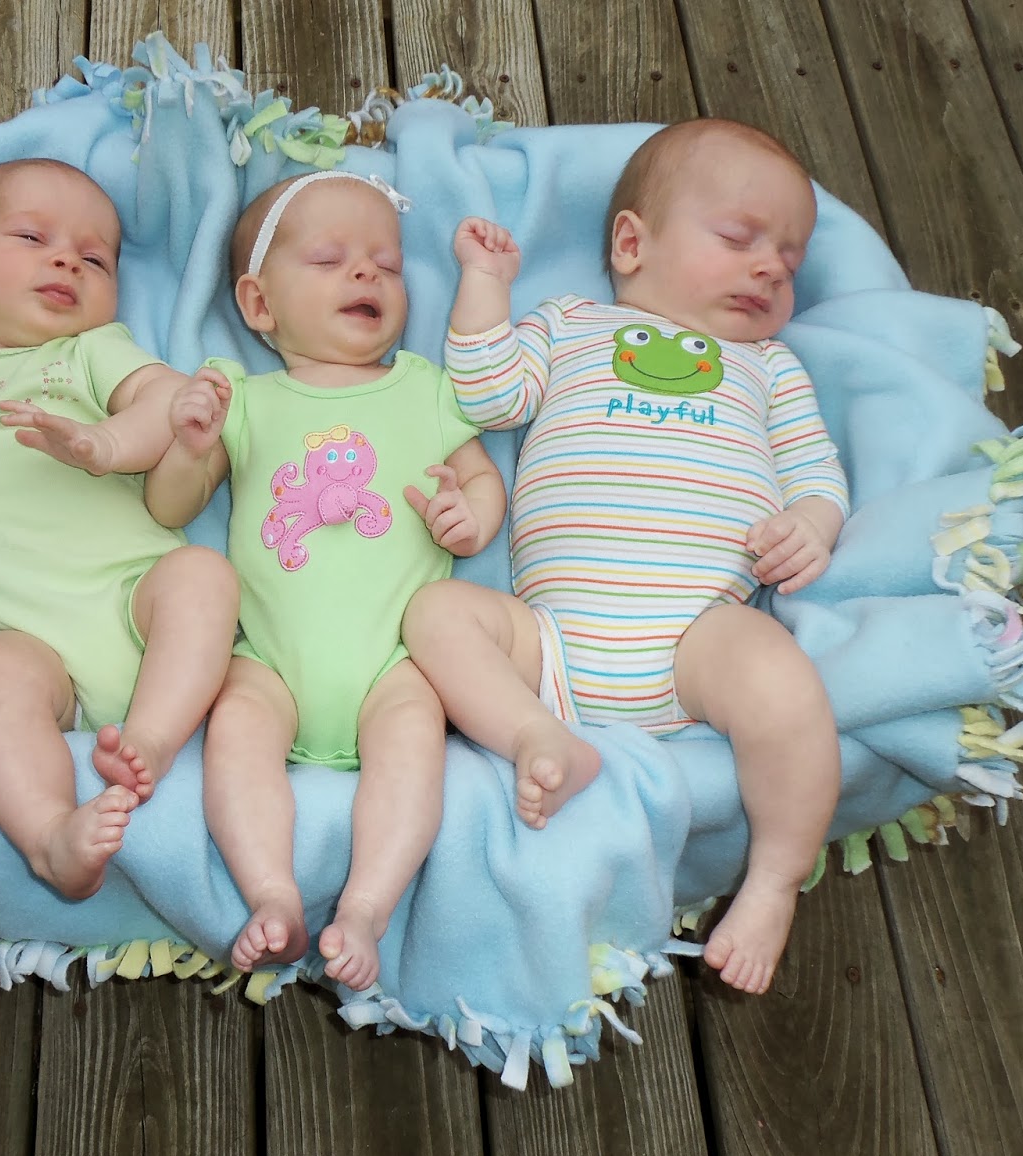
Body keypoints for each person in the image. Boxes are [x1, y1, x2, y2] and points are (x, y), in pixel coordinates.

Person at [402, 118, 850, 995]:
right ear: (631, 242)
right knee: (437, 614)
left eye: (790, 262)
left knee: (786, 685)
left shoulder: (769, 368)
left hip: (698, 641)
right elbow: (488, 392)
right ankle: (535, 737)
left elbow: (816, 473)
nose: (770, 267)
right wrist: (486, 284)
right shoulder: (572, 325)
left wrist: (814, 522)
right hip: (554, 647)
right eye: (739, 238)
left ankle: (772, 881)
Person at [146, 171, 507, 991]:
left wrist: (472, 519)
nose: (366, 274)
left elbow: (482, 480)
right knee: (235, 724)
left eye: (386, 261)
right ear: (259, 304)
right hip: (269, 661)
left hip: (397, 664)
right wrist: (191, 444)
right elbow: (170, 509)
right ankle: (270, 888)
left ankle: (368, 906)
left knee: (416, 743)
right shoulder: (244, 399)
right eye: (331, 258)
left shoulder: (427, 388)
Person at [0, 158, 238, 901]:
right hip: (28, 646)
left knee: (203, 577)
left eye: (94, 257)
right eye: (32, 236)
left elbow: (164, 398)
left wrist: (107, 445)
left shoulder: (87, 352)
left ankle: (151, 736)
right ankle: (50, 833)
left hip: (133, 604)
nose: (66, 259)